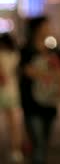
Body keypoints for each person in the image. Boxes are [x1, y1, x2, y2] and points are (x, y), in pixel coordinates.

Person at [18, 16, 60, 164]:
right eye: (46, 26)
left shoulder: (54, 50)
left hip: (50, 101)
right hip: (31, 102)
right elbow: (26, 70)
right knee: (38, 140)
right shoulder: (27, 50)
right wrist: (49, 75)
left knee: (44, 140)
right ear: (37, 28)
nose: (49, 28)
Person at [0, 33, 24, 163]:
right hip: (13, 89)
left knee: (11, 123)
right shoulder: (16, 55)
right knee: (14, 123)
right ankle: (16, 150)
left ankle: (15, 149)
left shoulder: (1, 55)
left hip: (3, 90)